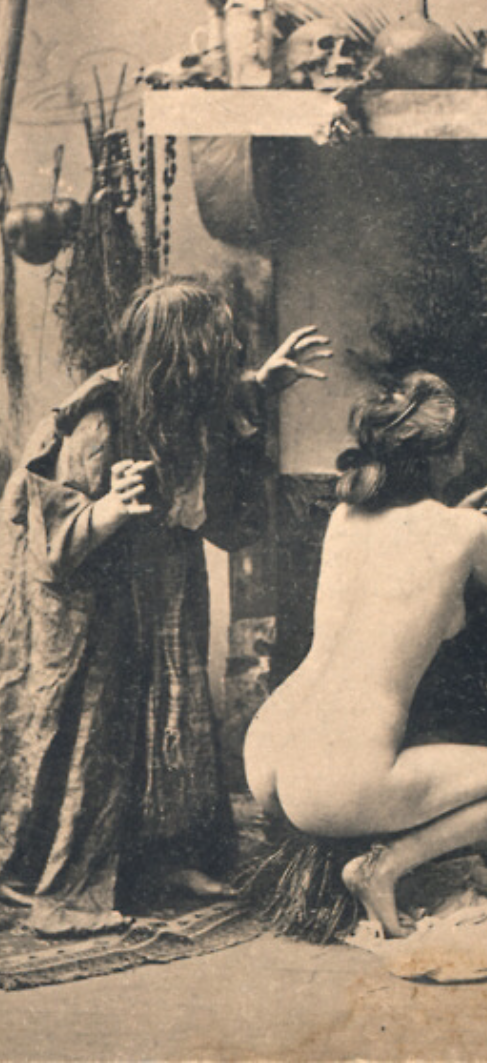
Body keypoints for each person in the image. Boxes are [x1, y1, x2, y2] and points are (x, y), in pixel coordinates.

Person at [243, 371, 487, 938]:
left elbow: (403, 554)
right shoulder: (468, 533)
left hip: (270, 745)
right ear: (442, 458)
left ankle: (359, 866)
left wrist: (459, 516)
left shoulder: (345, 516)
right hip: (335, 779)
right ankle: (382, 869)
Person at [0, 276, 331, 936]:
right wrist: (108, 510)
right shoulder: (100, 414)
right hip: (91, 600)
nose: (229, 354)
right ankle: (60, 884)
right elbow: (48, 527)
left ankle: (165, 860)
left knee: (173, 716)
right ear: (182, 356)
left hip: (164, 581)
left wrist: (261, 386)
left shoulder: (180, 397)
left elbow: (214, 432)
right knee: (102, 728)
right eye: (216, 347)